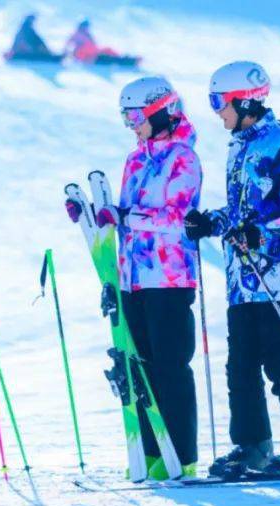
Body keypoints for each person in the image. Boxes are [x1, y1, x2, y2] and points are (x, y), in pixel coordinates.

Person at [184, 61, 280, 476]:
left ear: (244, 100)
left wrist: (259, 236)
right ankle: (253, 447)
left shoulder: (279, 143)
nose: (217, 112)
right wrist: (212, 222)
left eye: (219, 102)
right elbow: (244, 211)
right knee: (241, 363)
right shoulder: (241, 144)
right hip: (244, 278)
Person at [66, 76, 203, 480]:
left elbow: (177, 219)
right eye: (125, 116)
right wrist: (96, 218)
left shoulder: (183, 158)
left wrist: (125, 216)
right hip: (133, 277)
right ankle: (153, 452)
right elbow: (126, 216)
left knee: (171, 365)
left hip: (170, 276)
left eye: (136, 115)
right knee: (139, 366)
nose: (131, 124)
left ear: (161, 111)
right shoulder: (136, 159)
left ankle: (183, 454)